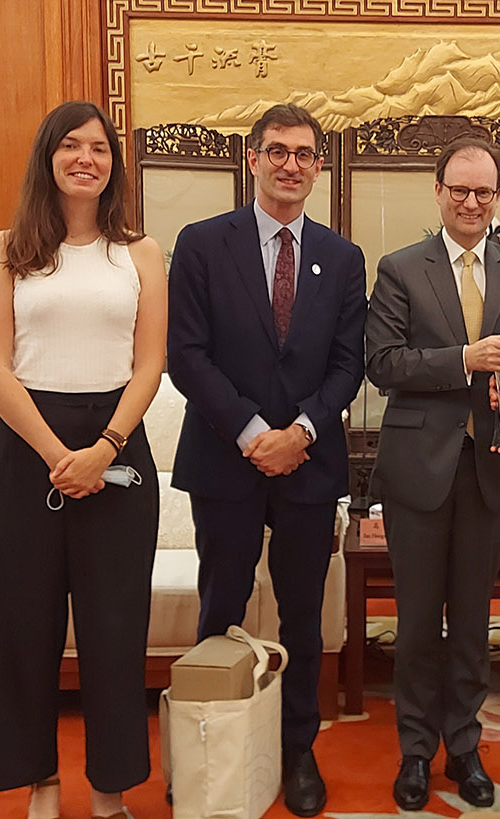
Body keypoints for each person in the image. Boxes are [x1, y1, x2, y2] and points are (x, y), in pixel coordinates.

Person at [165, 103, 366, 817]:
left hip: (310, 465)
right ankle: (206, 737)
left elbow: (349, 364)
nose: (291, 164)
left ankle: (299, 746)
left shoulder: (342, 258)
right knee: (220, 604)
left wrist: (301, 432)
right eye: (277, 150)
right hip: (225, 459)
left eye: (305, 153)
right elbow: (185, 355)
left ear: (319, 166)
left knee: (305, 616)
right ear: (251, 159)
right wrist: (254, 432)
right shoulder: (199, 244)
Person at [0, 100, 168, 819]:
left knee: (115, 627)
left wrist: (105, 448)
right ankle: (40, 781)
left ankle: (110, 787)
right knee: (23, 625)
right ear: (48, 157)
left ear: (114, 165)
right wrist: (61, 455)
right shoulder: (7, 248)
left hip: (116, 445)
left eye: (100, 148)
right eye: (71, 146)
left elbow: (150, 364)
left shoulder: (140, 251)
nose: (87, 158)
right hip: (29, 450)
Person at [364, 137, 500, 811]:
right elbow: (383, 364)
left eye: (484, 192)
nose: (471, 202)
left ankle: (465, 745)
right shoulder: (400, 268)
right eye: (459, 190)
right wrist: (463, 359)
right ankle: (416, 749)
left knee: (474, 622)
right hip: (419, 466)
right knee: (415, 621)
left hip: (490, 468)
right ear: (438, 190)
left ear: (499, 196)